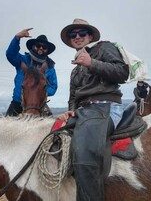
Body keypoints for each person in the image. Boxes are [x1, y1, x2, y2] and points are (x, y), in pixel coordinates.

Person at [60, 18, 129, 200]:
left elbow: (122, 72)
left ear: (90, 36)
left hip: (105, 106)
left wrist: (92, 63)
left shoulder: (104, 48)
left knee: (84, 150)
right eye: (73, 35)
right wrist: (71, 110)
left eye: (82, 33)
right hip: (84, 111)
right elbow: (73, 97)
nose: (77, 37)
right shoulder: (75, 69)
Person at [5, 28, 58, 116]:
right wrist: (17, 38)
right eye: (38, 45)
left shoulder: (50, 67)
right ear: (33, 46)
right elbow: (10, 55)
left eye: (44, 47)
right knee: (5, 128)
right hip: (18, 103)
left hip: (39, 106)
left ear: (47, 50)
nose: (41, 48)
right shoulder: (23, 60)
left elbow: (53, 87)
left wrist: (39, 90)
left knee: (50, 127)